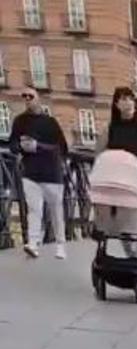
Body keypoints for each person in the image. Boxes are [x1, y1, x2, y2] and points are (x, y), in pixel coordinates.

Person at [97, 86, 137, 258]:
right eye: (123, 99)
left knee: (136, 230)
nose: (127, 102)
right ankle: (133, 258)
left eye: (130, 98)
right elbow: (99, 158)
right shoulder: (109, 130)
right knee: (122, 231)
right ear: (116, 104)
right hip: (117, 186)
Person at [9, 86, 69, 259]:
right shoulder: (19, 121)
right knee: (34, 210)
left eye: (31, 96)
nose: (27, 99)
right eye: (24, 96)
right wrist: (20, 146)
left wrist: (38, 146)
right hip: (30, 173)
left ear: (38, 99)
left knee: (56, 210)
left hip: (52, 174)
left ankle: (60, 245)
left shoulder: (50, 123)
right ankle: (33, 243)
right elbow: (12, 144)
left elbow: (62, 147)